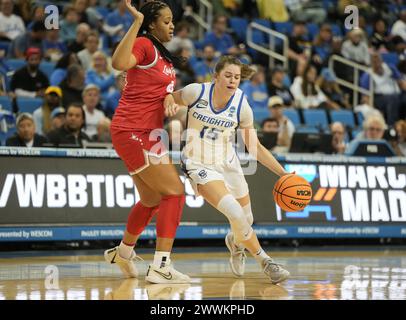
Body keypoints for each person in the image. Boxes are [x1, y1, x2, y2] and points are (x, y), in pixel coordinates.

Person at [165, 55, 290, 284]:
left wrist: (283, 173)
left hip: (228, 161)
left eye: (237, 77)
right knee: (235, 213)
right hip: (198, 164)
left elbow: (255, 147)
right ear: (216, 77)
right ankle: (266, 261)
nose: (233, 80)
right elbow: (169, 97)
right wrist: (168, 103)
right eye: (228, 75)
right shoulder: (196, 92)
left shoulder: (242, 105)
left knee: (246, 219)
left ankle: (235, 242)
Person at [103, 0, 190, 284]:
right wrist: (136, 23)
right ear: (152, 24)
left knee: (152, 199)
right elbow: (118, 63)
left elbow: (158, 91)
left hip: (150, 134)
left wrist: (168, 98)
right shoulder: (143, 44)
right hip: (132, 130)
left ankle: (124, 252)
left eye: (172, 20)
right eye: (165, 21)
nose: (172, 25)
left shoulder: (164, 57)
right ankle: (161, 265)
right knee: (175, 193)